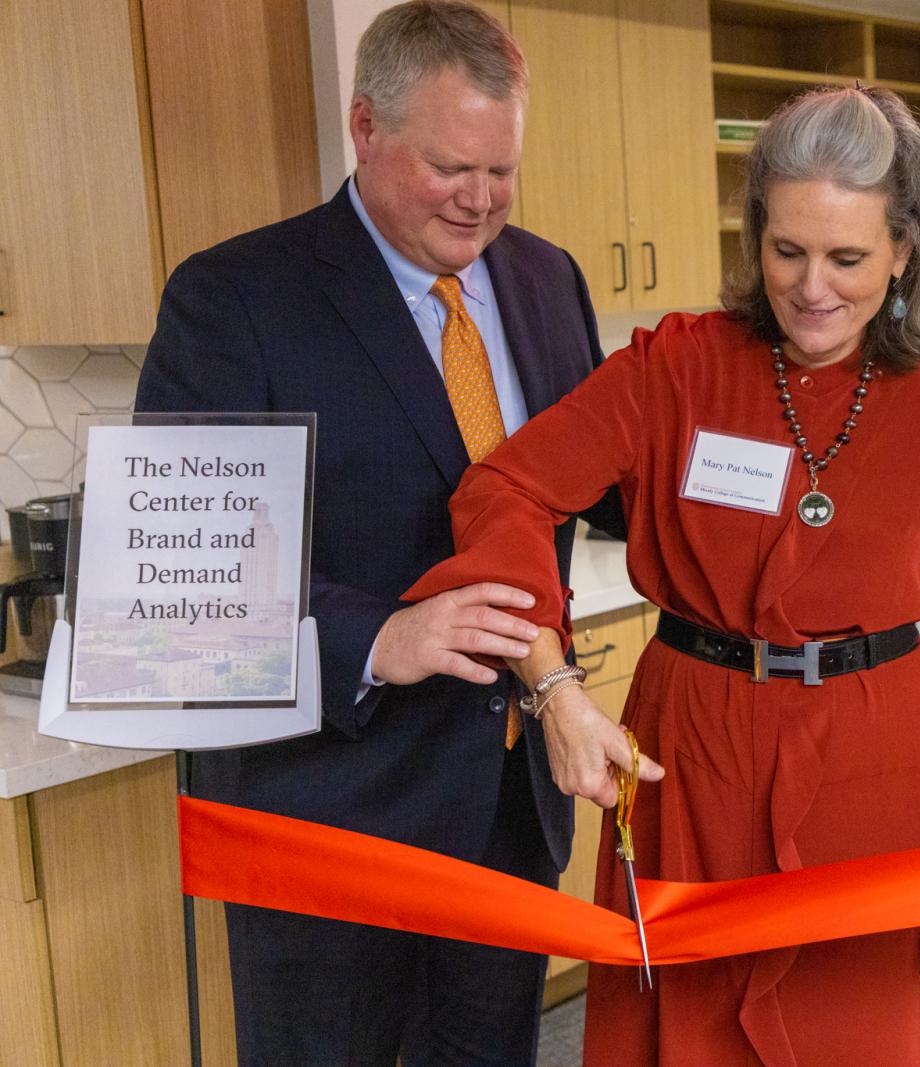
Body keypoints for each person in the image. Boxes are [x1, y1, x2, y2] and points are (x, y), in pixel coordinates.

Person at [405, 84, 920, 1064]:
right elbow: (502, 492)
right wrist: (556, 688)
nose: (811, 287)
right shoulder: (676, 367)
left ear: (905, 251)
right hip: (696, 756)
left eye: (848, 258)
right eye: (786, 251)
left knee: (872, 1030)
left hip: (883, 773)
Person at [135, 2, 621, 1063]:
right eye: (452, 167)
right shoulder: (232, 300)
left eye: (502, 171)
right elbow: (184, 592)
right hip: (327, 813)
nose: (482, 200)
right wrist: (378, 639)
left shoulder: (545, 279)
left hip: (505, 801)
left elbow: (596, 486)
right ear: (365, 127)